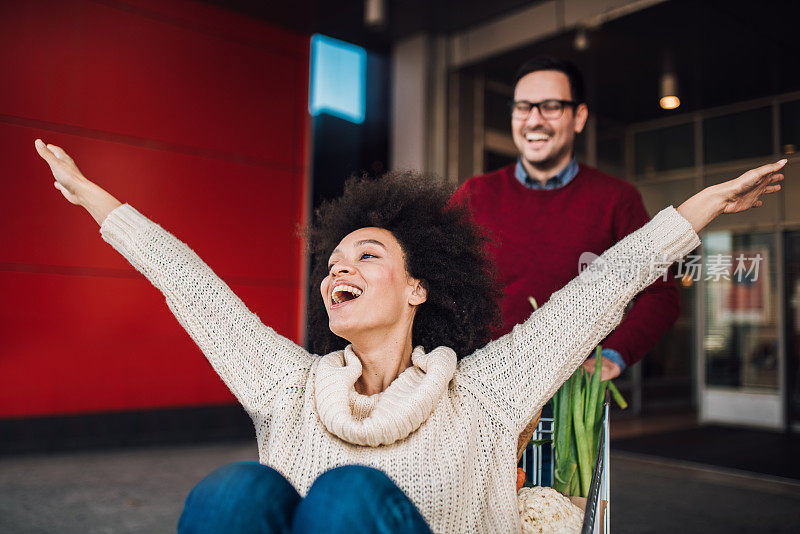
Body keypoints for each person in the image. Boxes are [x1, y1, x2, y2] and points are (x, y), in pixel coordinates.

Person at [34, 138, 784, 533]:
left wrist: (702, 210)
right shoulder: (289, 387)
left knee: (344, 501)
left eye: (367, 255)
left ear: (419, 286)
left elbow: (601, 290)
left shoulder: (485, 390)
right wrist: (94, 196)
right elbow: (193, 288)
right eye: (331, 264)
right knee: (237, 492)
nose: (339, 270)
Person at [454, 57, 679, 381]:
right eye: (523, 107)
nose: (534, 119)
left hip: (572, 398)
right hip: (480, 393)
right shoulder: (473, 195)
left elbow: (661, 294)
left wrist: (614, 356)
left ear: (579, 117)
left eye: (550, 106)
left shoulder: (617, 199)